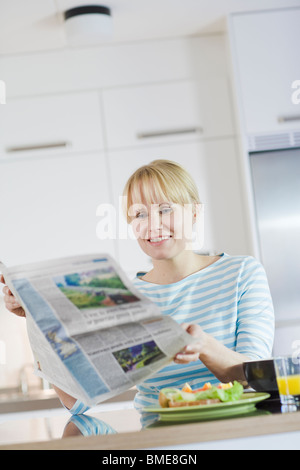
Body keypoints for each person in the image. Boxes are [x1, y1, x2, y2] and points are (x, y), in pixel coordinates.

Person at [1, 159, 274, 418]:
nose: (152, 225)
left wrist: (204, 346)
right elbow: (78, 402)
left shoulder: (242, 273)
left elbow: (257, 377)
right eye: (139, 214)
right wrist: (37, 320)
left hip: (237, 430)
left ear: (194, 212)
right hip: (158, 437)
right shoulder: (123, 296)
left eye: (165, 209)